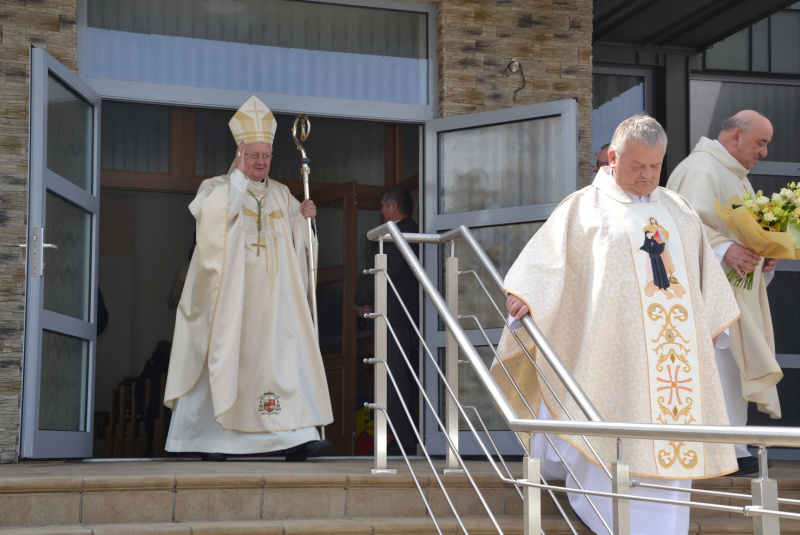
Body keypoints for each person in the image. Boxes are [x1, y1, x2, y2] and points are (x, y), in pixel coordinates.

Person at [493, 115, 740, 534]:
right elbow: (550, 263)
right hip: (613, 355)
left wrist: (713, 322)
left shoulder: (677, 209)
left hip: (672, 359)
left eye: (655, 166)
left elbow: (705, 278)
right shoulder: (582, 207)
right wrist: (528, 294)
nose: (647, 176)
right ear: (613, 157)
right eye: (637, 166)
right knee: (610, 424)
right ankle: (605, 515)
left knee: (668, 451)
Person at [163, 95, 333, 462]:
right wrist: (237, 179)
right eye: (253, 155)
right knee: (224, 356)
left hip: (274, 303)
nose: (260, 162)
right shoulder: (217, 188)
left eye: (266, 156)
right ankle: (214, 440)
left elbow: (298, 248)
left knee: (285, 362)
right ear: (240, 153)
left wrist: (303, 220)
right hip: (233, 300)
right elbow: (209, 227)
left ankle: (296, 438)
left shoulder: (282, 194)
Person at [666, 110, 783, 475]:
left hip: (731, 294)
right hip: (705, 301)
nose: (763, 153)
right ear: (734, 137)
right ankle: (716, 447)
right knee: (716, 369)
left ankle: (732, 443)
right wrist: (724, 250)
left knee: (730, 371)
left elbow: (734, 232)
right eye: (760, 143)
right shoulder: (702, 169)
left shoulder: (735, 176)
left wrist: (763, 258)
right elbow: (680, 228)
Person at [353, 187, 420, 455]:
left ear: (394, 208)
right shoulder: (414, 231)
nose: (381, 211)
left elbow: (381, 272)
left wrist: (359, 301)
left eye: (383, 205)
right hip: (408, 317)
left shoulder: (396, 234)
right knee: (403, 378)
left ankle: (403, 441)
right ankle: (405, 437)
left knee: (395, 380)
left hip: (395, 317)